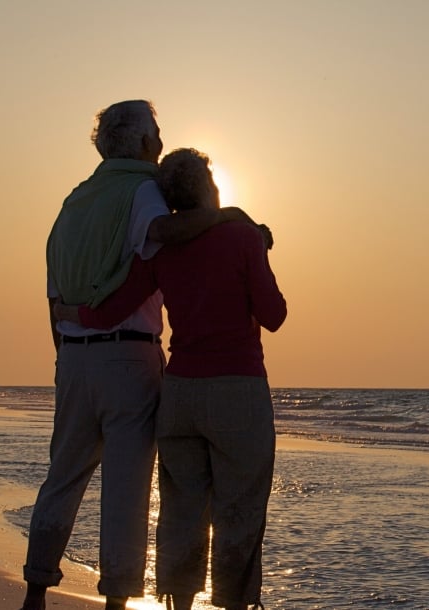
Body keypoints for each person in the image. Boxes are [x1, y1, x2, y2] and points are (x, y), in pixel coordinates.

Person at [24, 101, 249, 610]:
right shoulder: (144, 190)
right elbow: (164, 234)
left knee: (62, 477)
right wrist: (226, 216)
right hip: (128, 355)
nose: (162, 142)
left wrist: (65, 356)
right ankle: (117, 601)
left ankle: (35, 591)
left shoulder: (74, 200)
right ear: (144, 143)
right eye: (158, 133)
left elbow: (52, 288)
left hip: (73, 356)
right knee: (125, 492)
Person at [55, 148, 287, 610]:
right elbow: (274, 315)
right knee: (238, 507)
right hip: (237, 388)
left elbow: (113, 309)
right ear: (208, 187)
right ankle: (235, 603)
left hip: (179, 391)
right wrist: (258, 250)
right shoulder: (242, 237)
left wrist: (70, 312)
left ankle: (179, 604)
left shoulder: (162, 249)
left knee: (181, 509)